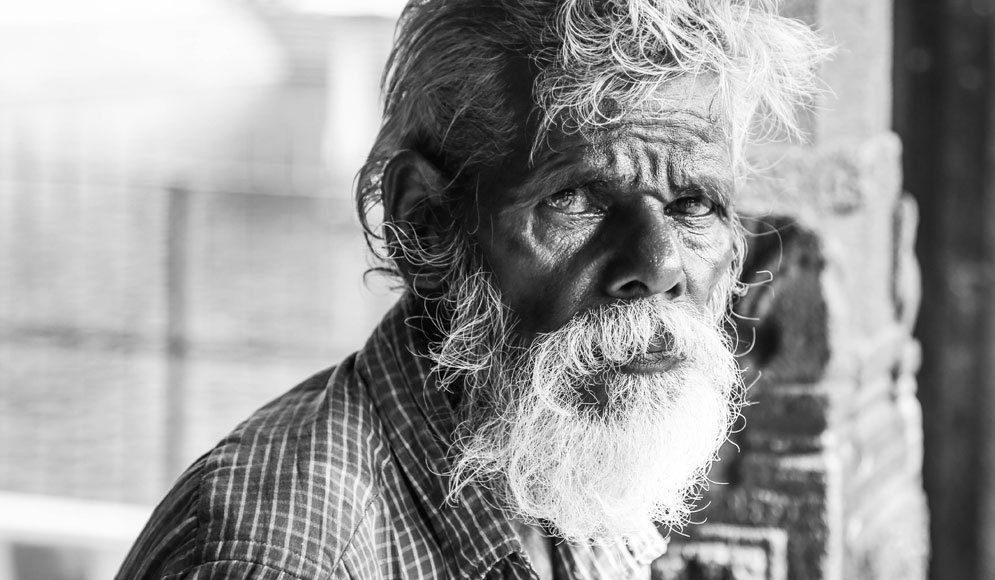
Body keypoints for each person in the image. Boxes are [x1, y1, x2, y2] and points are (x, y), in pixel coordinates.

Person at [117, 0, 826, 578]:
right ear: (423, 220)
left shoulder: (566, 471)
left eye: (695, 203)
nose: (660, 264)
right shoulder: (280, 559)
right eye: (575, 198)